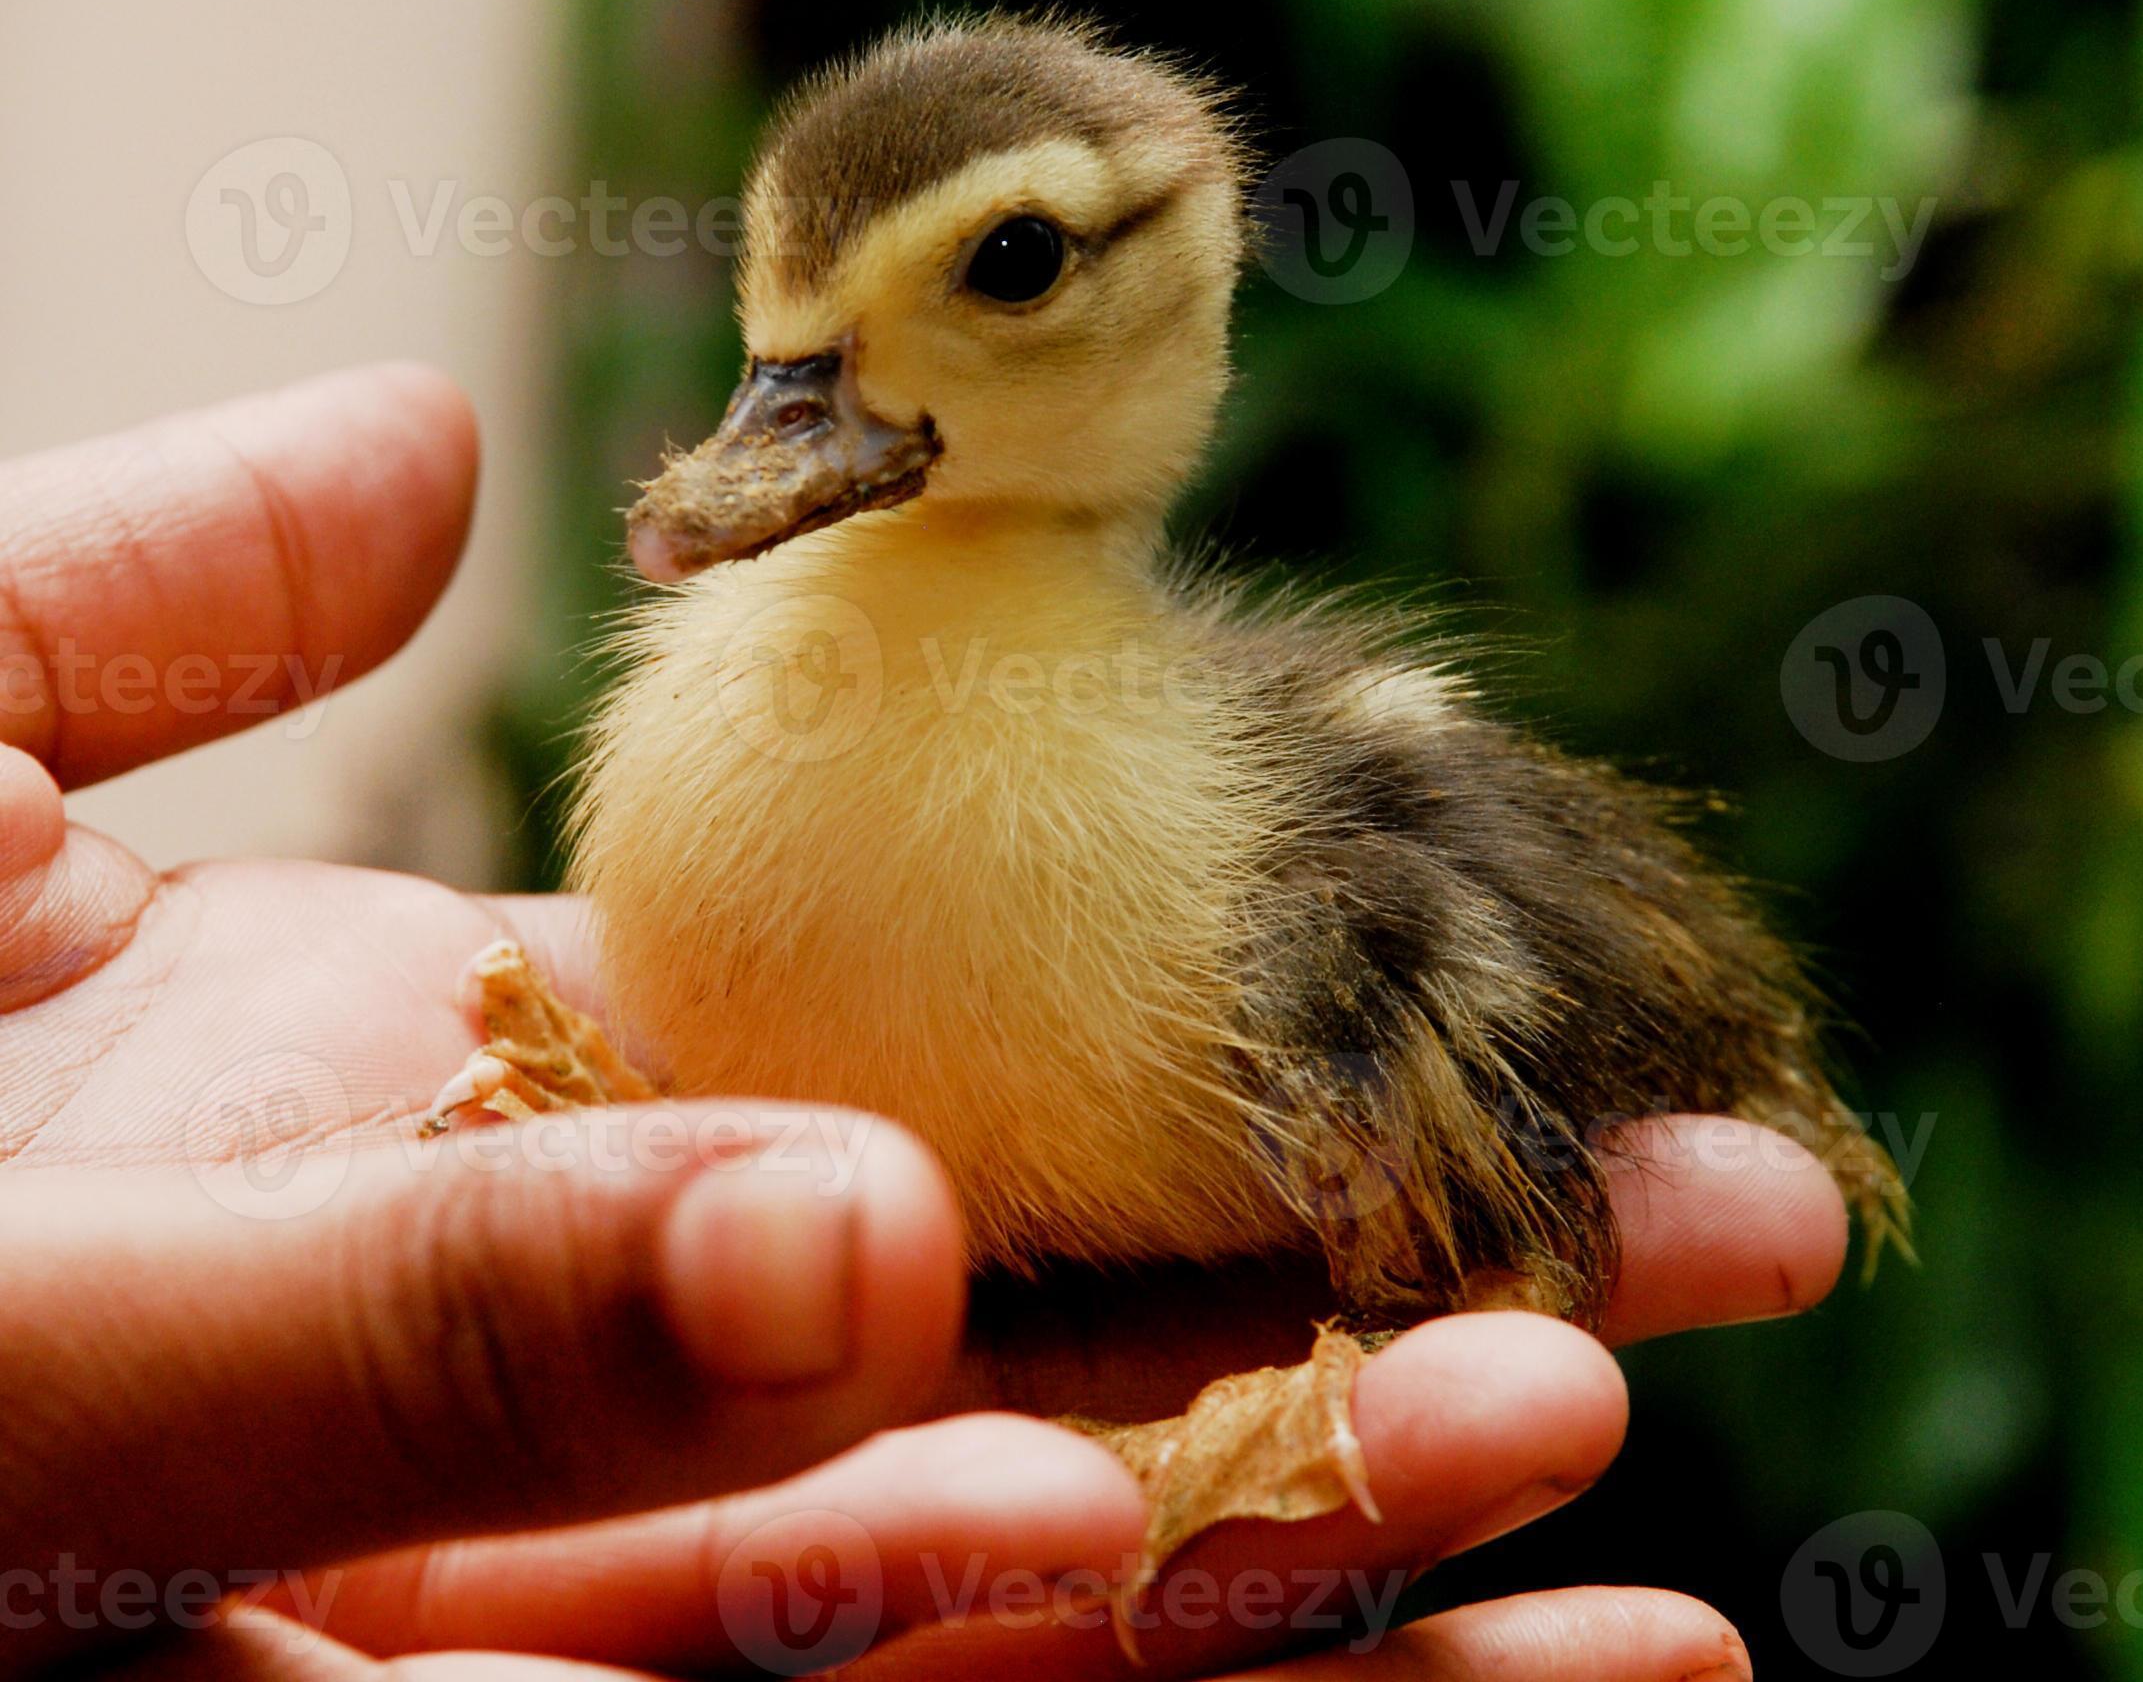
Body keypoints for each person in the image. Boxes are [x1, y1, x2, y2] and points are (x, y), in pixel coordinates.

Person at [0, 364, 1853, 1680]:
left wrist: (1338, 1359)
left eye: (999, 277)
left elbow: (1459, 1033)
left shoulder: (1268, 894)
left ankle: (1352, 1345)